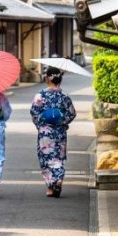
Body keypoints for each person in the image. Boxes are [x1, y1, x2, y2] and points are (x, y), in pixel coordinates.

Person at [30, 67, 77, 197]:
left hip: (45, 132)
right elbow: (72, 113)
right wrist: (63, 122)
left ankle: (51, 186)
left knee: (45, 157)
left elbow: (34, 113)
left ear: (47, 78)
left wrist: (40, 124)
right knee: (59, 157)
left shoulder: (40, 95)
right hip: (60, 131)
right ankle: (59, 179)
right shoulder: (64, 96)